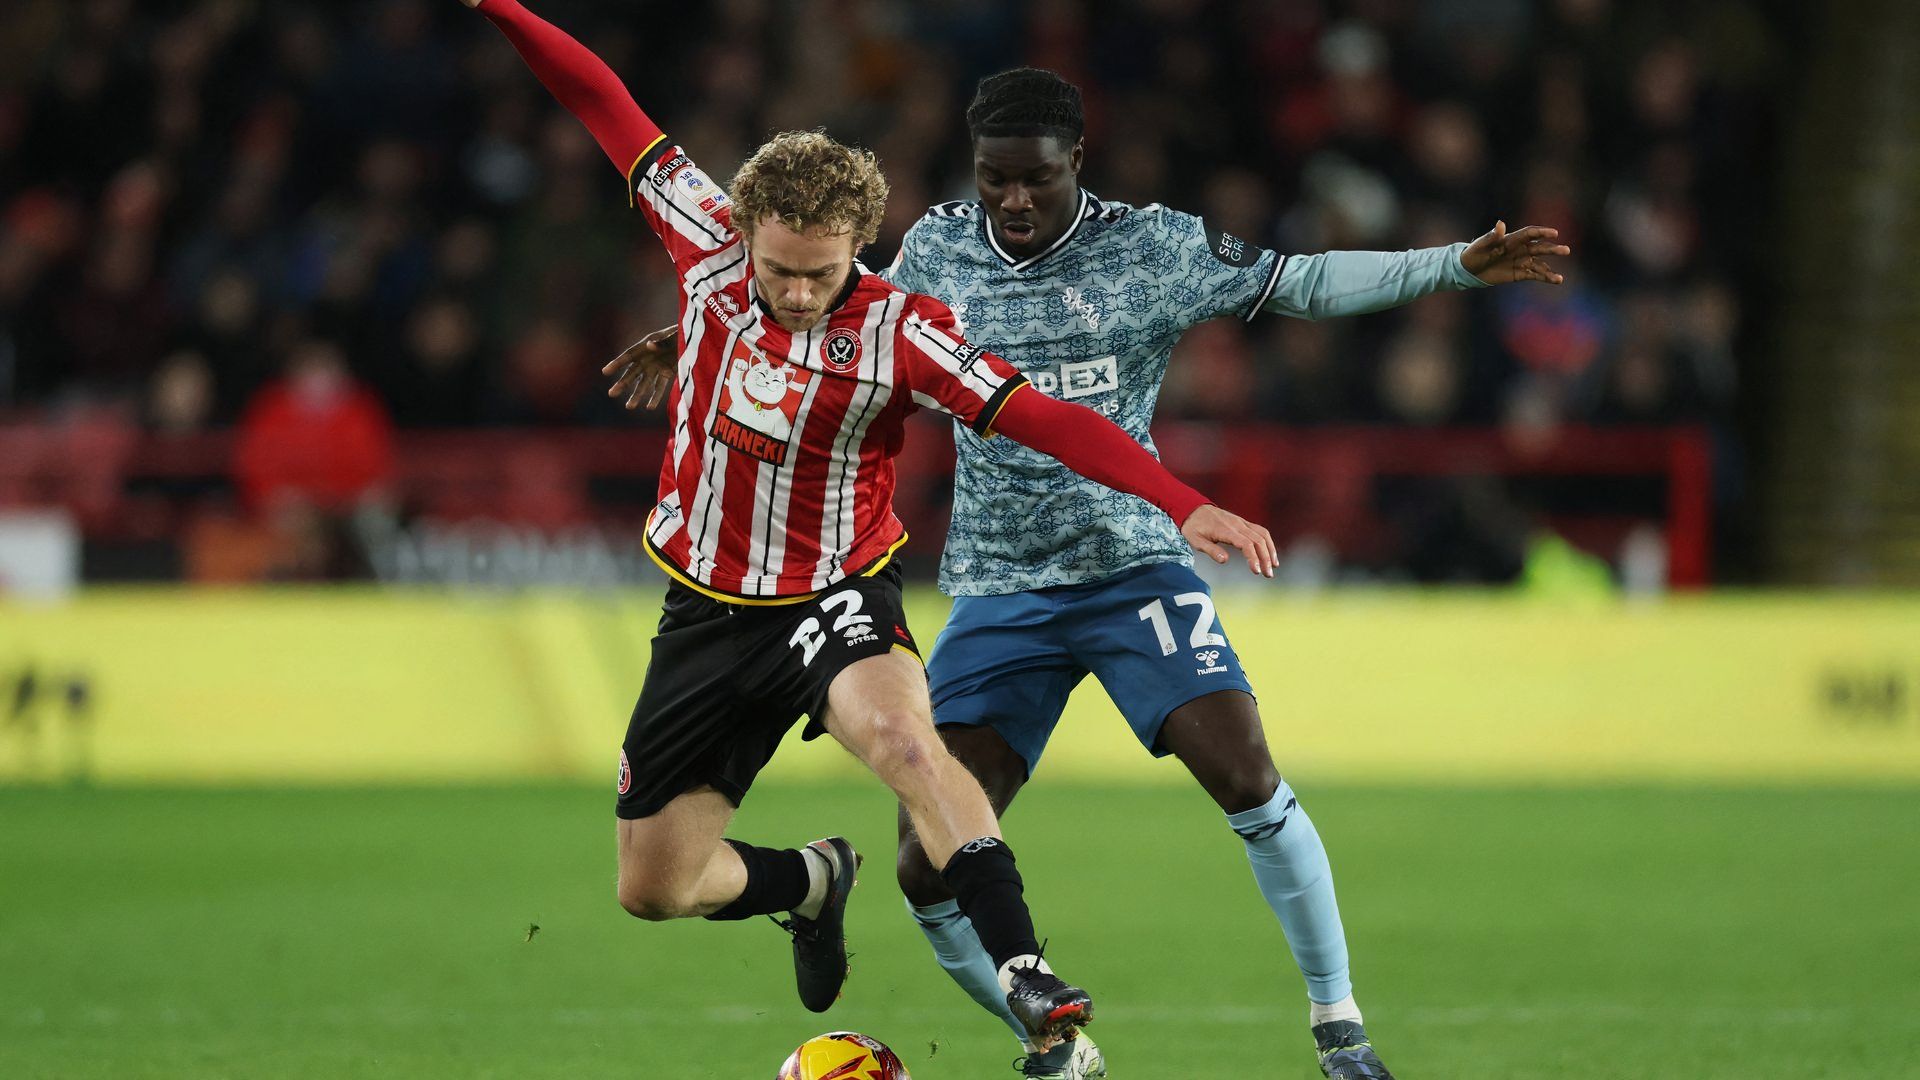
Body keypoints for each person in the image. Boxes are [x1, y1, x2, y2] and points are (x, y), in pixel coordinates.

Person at [607, 66, 1569, 1080]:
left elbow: (1303, 281)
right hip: (995, 583)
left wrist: (1450, 266)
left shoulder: (1153, 247)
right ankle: (1058, 1045)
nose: (1013, 200)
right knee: (920, 865)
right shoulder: (933, 247)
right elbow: (831, 312)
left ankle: (1341, 1030)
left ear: (1079, 164)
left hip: (1130, 564)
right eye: (994, 180)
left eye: (1035, 179)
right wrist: (708, 341)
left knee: (1243, 769)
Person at [460, 1, 1280, 1054]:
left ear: (863, 243)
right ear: (743, 233)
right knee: (655, 887)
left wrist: (1183, 499)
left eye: (823, 270)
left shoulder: (905, 331)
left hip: (834, 593)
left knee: (903, 741)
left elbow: (1042, 417)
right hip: (704, 611)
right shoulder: (705, 252)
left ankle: (1025, 970)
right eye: (779, 269)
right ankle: (812, 881)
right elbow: (600, 99)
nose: (799, 292)